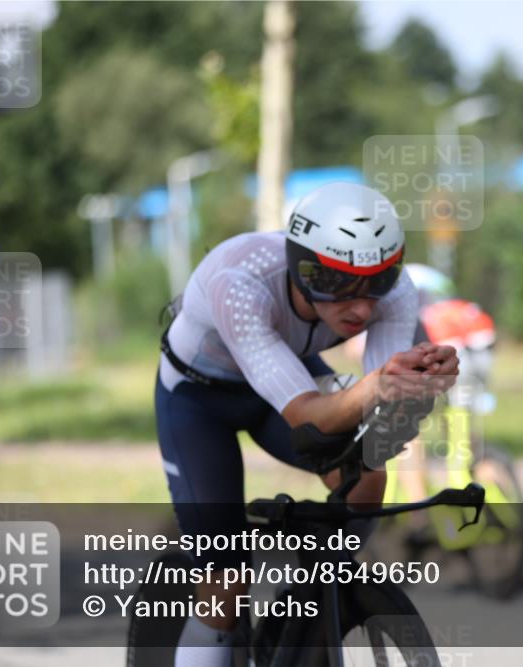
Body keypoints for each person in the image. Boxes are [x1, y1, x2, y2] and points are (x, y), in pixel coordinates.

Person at [154, 182, 459, 667]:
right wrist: (382, 383)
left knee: (366, 477)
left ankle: (311, 606)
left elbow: (377, 422)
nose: (361, 307)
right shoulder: (240, 282)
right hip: (198, 401)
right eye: (337, 283)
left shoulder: (397, 292)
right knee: (226, 578)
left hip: (283, 377)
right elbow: (306, 416)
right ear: (302, 267)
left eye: (377, 282)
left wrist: (415, 391)